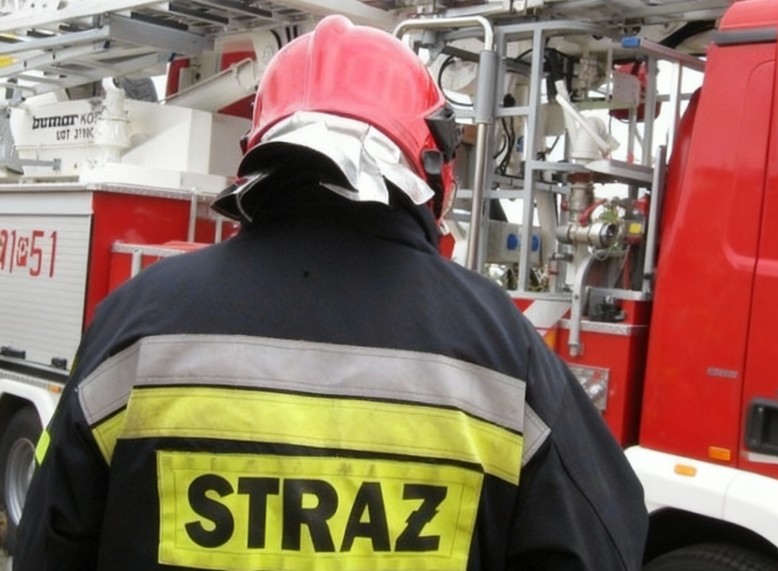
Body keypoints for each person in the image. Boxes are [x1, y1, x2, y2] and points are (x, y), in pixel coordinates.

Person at [16, 14, 648, 570]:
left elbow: (48, 542)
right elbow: (601, 542)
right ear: (433, 167)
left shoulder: (134, 323)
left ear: (257, 153)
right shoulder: (504, 350)